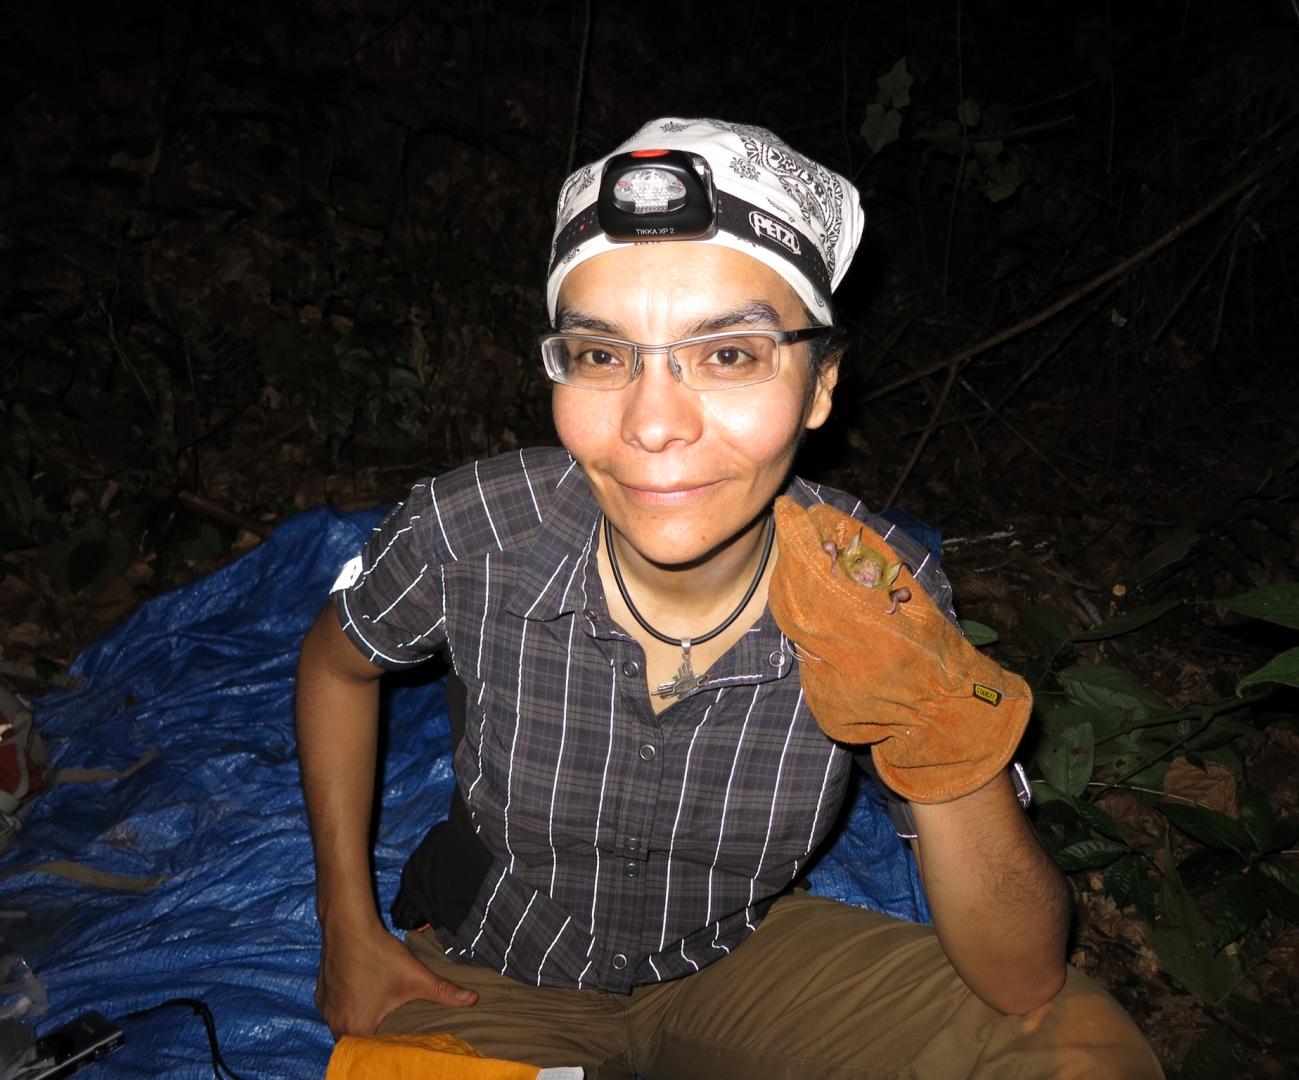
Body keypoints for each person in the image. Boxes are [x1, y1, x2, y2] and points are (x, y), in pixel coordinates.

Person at [295, 117, 1162, 1079]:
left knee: (1076, 1050)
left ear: (820, 386)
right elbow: (336, 665)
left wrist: (934, 722)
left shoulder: (877, 586)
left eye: (730, 355)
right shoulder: (472, 533)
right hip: (492, 967)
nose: (653, 423)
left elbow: (1022, 979)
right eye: (602, 355)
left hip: (736, 958)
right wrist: (345, 921)